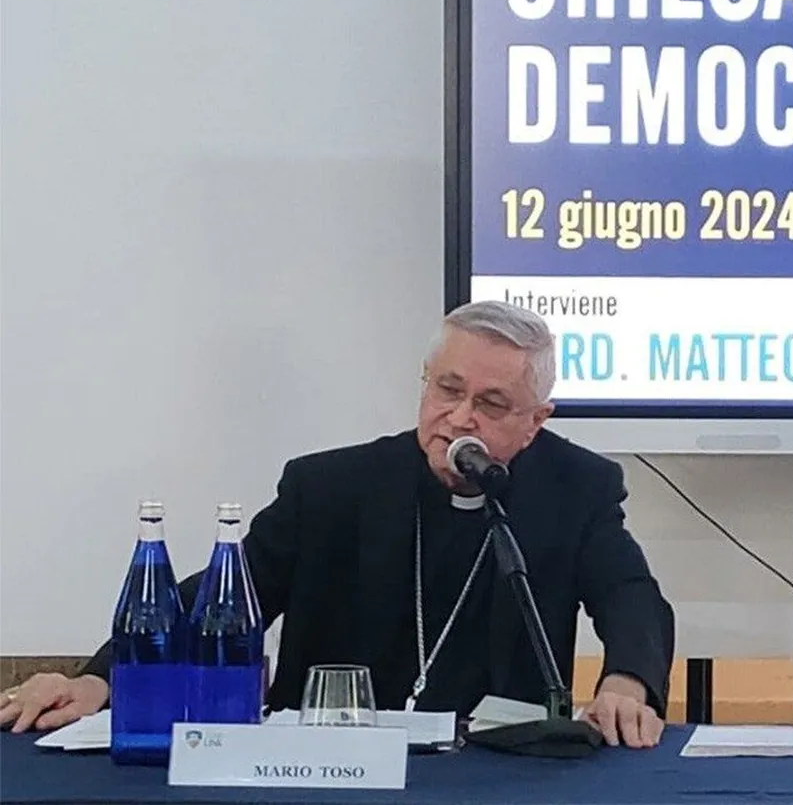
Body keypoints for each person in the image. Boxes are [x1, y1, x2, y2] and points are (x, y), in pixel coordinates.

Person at [0, 301, 675, 747]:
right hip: (330, 766)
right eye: (447, 389)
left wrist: (627, 682)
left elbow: (631, 595)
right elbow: (223, 600)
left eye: (492, 404)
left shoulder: (576, 486)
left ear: (535, 422)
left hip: (502, 767)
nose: (460, 417)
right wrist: (98, 681)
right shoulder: (330, 487)